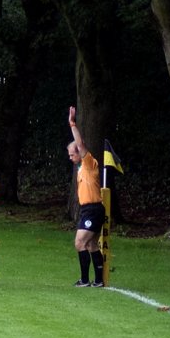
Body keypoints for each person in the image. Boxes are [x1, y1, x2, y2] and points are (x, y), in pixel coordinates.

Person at [67, 106, 107, 287]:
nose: (70, 157)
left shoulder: (89, 163)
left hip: (93, 209)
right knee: (91, 245)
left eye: (72, 154)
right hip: (88, 210)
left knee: (79, 242)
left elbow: (81, 144)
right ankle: (98, 281)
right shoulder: (80, 169)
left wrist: (72, 124)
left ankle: (84, 280)